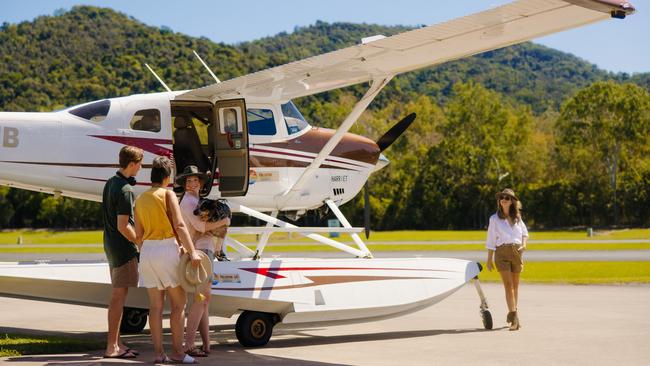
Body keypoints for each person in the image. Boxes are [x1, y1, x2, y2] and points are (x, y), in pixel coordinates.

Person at [134, 156, 202, 364]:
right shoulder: (168, 194)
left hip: (146, 252)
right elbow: (180, 226)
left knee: (155, 306)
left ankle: (158, 353)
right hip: (166, 249)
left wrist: (146, 250)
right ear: (167, 177)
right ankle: (177, 353)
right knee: (178, 305)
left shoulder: (141, 198)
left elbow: (138, 235)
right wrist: (192, 252)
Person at [176, 165, 230, 357]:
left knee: (204, 300)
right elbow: (200, 226)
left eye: (195, 180)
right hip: (199, 252)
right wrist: (224, 222)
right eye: (188, 181)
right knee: (201, 299)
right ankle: (189, 345)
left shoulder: (196, 200)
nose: (192, 184)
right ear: (184, 184)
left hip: (204, 251)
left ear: (200, 183)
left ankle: (206, 344)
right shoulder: (189, 202)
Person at [101, 145, 143, 359]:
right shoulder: (126, 190)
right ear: (133, 164)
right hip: (123, 250)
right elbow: (123, 225)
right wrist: (140, 242)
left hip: (110, 246)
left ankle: (117, 342)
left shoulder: (111, 182)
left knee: (119, 295)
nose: (141, 168)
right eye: (140, 164)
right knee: (119, 296)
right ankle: (112, 347)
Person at [486, 188, 528, 331]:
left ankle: (512, 314)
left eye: (507, 198)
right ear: (499, 201)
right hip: (502, 252)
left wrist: (524, 245)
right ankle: (515, 319)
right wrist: (489, 259)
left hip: (516, 252)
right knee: (508, 286)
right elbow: (491, 239)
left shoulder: (517, 217)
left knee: (515, 286)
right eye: (502, 197)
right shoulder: (494, 219)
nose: (504, 199)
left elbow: (524, 232)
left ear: (512, 201)